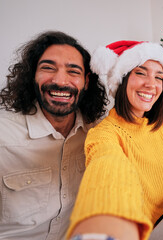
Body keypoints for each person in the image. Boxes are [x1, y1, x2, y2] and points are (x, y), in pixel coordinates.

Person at [67, 40, 163, 240]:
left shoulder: (157, 124)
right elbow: (106, 168)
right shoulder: (105, 134)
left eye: (159, 77)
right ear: (122, 80)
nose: (151, 84)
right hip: (147, 230)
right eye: (141, 72)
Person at [0, 31, 108, 239]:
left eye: (73, 71)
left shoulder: (98, 133)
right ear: (33, 76)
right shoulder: (4, 136)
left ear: (86, 81)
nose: (60, 80)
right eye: (48, 68)